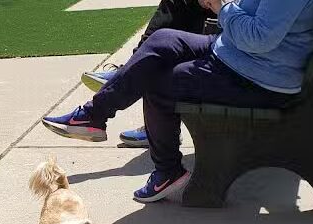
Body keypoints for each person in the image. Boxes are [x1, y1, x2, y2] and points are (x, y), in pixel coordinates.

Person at [41, 0, 313, 203]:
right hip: (240, 56)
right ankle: (93, 116)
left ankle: (167, 171)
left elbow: (259, 37)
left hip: (257, 78)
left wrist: (221, 7)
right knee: (165, 39)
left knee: (158, 82)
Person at [81, 0, 216, 148]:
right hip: (232, 48)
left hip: (236, 63)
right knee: (159, 54)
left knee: (157, 61)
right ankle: (130, 71)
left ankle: (128, 74)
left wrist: (222, 6)